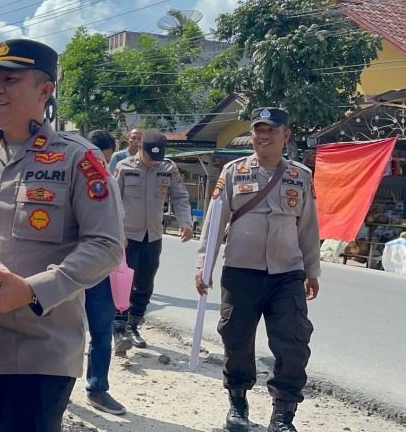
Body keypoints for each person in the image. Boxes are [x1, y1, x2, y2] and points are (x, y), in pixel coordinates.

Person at [0, 39, 124, 432]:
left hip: (43, 354)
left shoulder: (79, 158)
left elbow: (106, 245)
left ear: (45, 90)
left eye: (10, 79)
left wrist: (33, 290)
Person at [194, 107, 320, 432]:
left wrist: (312, 271)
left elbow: (308, 227)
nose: (263, 136)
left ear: (286, 135)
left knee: (293, 343)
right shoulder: (233, 172)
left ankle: (283, 416)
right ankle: (237, 404)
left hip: (287, 274)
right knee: (236, 341)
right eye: (258, 130)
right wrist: (202, 266)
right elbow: (214, 222)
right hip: (240, 272)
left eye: (271, 130)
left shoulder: (300, 176)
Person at [113, 129, 192, 349]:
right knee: (123, 284)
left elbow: (180, 196)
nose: (153, 162)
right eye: (149, 157)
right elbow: (113, 202)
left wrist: (185, 221)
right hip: (127, 237)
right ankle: (119, 329)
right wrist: (117, 234)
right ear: (140, 148)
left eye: (157, 157)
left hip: (153, 236)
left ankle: (133, 325)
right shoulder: (124, 167)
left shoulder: (168, 168)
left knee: (145, 285)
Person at [81, 129, 128, 414]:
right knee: (60, 330)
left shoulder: (108, 180)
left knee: (101, 331)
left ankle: (97, 388)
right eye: (100, 158)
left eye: (106, 159)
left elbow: (118, 225)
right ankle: (53, 388)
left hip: (100, 270)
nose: (102, 164)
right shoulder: (62, 176)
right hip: (65, 268)